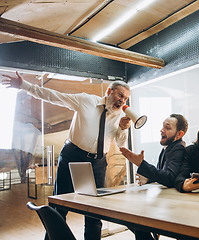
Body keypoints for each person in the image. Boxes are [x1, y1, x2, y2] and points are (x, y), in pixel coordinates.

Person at [1, 71, 131, 240]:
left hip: (98, 163)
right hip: (72, 156)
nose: (122, 101)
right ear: (108, 92)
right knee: (59, 207)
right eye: (120, 95)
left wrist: (123, 128)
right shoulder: (86, 101)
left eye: (126, 99)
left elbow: (121, 143)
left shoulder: (121, 116)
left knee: (94, 212)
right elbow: (54, 96)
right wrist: (24, 85)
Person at [120, 114, 188, 240]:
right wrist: (148, 178)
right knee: (131, 217)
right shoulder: (167, 148)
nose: (162, 130)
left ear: (179, 134)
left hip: (175, 204)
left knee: (135, 218)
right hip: (164, 198)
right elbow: (162, 172)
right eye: (162, 126)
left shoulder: (178, 148)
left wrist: (141, 164)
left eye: (167, 128)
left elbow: (170, 178)